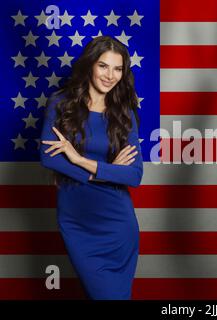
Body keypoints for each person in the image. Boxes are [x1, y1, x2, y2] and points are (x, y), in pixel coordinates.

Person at [39, 36, 143, 300]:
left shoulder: (124, 112)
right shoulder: (60, 103)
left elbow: (133, 175)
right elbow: (49, 158)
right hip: (76, 221)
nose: (110, 75)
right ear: (89, 66)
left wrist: (78, 159)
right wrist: (105, 172)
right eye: (103, 66)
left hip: (117, 224)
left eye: (118, 69)